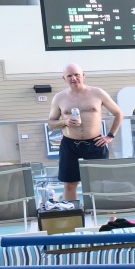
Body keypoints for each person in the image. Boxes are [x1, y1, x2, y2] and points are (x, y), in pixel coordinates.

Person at [47, 62, 124, 203]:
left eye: (77, 75)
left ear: (83, 75)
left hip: (95, 143)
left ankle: (108, 217)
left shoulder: (97, 93)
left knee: (102, 184)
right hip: (70, 145)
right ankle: (74, 216)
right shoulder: (59, 98)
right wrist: (64, 122)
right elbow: (51, 123)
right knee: (70, 184)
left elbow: (118, 114)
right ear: (64, 78)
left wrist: (110, 136)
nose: (73, 78)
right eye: (69, 76)